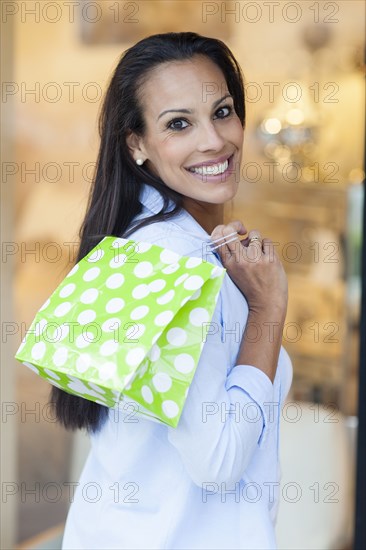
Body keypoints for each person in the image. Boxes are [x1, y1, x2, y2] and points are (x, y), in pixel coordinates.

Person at [57, 32, 293, 549]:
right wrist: (267, 308)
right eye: (179, 124)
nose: (213, 140)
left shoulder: (141, 246)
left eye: (223, 111)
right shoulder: (174, 260)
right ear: (135, 143)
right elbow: (219, 460)